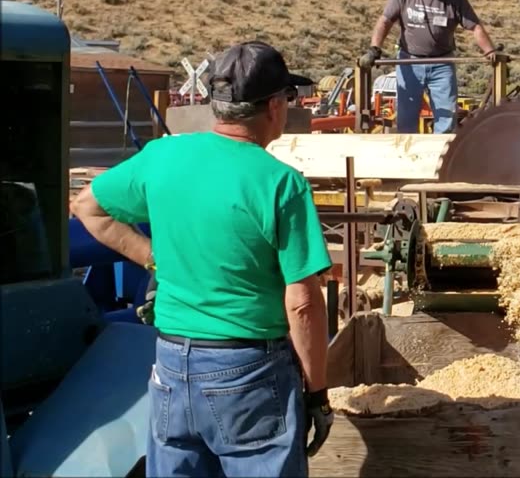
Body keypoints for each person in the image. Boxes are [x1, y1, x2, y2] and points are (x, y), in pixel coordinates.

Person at [71, 41, 335, 476]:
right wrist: (317, 393)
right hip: (249, 374)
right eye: (287, 98)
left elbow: (88, 207)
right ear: (274, 106)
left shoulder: (163, 154)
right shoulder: (281, 184)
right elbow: (303, 302)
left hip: (171, 367)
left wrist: (153, 258)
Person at [359, 0, 498, 134]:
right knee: (406, 117)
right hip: (409, 61)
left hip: (442, 64)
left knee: (446, 115)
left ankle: (440, 159)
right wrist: (374, 49)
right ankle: (409, 159)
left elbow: (475, 27)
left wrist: (490, 52)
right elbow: (385, 21)